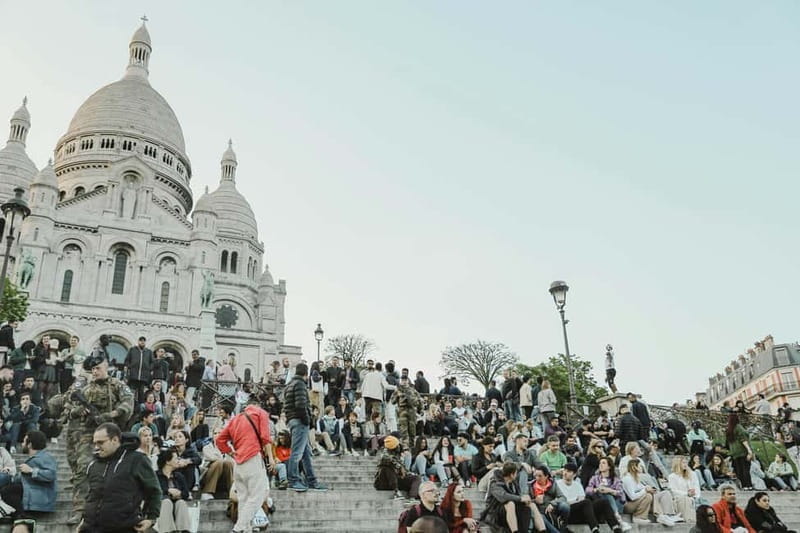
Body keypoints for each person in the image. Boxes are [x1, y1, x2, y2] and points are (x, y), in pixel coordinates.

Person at [64, 355, 134, 525]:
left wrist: (111, 415)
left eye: (98, 368)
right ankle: (79, 510)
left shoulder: (117, 385)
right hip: (87, 434)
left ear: (106, 367)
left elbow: (128, 403)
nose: (95, 371)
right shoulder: (84, 388)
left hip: (110, 433)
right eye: (93, 369)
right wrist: (78, 411)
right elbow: (68, 408)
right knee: (82, 469)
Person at [80, 423, 161, 533]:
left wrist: (151, 518)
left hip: (124, 527)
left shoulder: (137, 460)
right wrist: (83, 521)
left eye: (101, 442)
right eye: (95, 443)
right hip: (91, 528)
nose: (96, 447)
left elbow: (154, 491)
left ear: (115, 440)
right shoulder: (94, 464)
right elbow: (91, 496)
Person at [215, 399, 274, 532]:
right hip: (253, 458)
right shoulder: (261, 413)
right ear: (258, 405)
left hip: (239, 462)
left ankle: (246, 530)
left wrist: (231, 453)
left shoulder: (235, 419)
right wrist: (271, 458)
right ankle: (238, 528)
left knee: (244, 499)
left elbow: (219, 440)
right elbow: (265, 438)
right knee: (257, 497)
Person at [283, 363, 327, 492]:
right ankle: (293, 480)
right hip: (299, 421)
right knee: (297, 452)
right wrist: (308, 421)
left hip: (292, 420)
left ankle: (312, 480)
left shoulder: (289, 385)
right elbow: (301, 405)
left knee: (306, 453)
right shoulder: (300, 384)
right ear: (305, 374)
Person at [557, 462, 626, 533]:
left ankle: (616, 528)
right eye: (564, 470)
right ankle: (595, 529)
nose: (565, 473)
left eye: (568, 471)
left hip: (581, 512)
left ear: (574, 474)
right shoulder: (557, 484)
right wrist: (576, 500)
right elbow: (560, 502)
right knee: (586, 502)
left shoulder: (577, 485)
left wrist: (578, 500)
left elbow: (582, 498)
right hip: (569, 514)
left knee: (603, 502)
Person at [0, 431, 56, 518]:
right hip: (32, 494)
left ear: (29, 444)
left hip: (39, 500)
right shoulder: (36, 458)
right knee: (8, 486)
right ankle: (19, 514)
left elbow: (51, 475)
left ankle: (21, 515)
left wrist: (31, 470)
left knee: (7, 490)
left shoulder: (45, 457)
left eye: (23, 442)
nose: (22, 444)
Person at [481, 462, 544, 533]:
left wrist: (531, 500)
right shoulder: (495, 483)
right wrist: (520, 498)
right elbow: (503, 497)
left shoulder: (513, 483)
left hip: (511, 511)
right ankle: (515, 532)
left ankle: (543, 530)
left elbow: (518, 497)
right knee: (510, 503)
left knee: (532, 505)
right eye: (516, 473)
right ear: (512, 474)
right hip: (494, 512)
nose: (517, 475)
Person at [154, 447, 192, 533]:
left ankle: (183, 530)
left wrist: (180, 493)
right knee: (166, 502)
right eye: (176, 458)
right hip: (161, 505)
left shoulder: (179, 476)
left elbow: (186, 494)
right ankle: (168, 531)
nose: (178, 460)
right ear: (167, 461)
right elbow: (153, 492)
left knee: (181, 502)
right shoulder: (155, 475)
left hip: (177, 505)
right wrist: (168, 491)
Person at [200, 426, 234, 498]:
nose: (217, 435)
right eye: (215, 433)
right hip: (209, 475)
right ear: (212, 436)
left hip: (224, 477)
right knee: (219, 462)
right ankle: (207, 491)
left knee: (228, 464)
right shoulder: (207, 447)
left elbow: (233, 462)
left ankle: (232, 491)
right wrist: (224, 454)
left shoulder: (230, 447)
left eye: (220, 433)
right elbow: (213, 458)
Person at [391, 374, 422, 449]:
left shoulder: (413, 390)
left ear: (408, 381)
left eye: (405, 380)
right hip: (402, 410)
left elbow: (419, 400)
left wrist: (420, 409)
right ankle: (405, 446)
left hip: (412, 411)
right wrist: (398, 396)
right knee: (403, 429)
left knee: (412, 429)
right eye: (402, 380)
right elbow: (392, 401)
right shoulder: (398, 390)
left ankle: (412, 445)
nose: (404, 382)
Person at [669, 456, 701, 523]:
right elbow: (673, 491)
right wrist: (687, 493)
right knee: (685, 499)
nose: (685, 464)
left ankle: (691, 520)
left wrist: (694, 495)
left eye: (686, 462)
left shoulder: (692, 474)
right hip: (679, 499)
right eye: (683, 463)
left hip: (693, 498)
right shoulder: (672, 476)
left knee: (693, 501)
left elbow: (697, 487)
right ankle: (689, 520)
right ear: (677, 464)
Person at [726, 413, 754, 490]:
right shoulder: (739, 427)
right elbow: (744, 440)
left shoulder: (729, 430)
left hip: (734, 452)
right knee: (746, 469)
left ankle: (744, 485)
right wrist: (749, 451)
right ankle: (749, 485)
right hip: (742, 451)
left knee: (739, 470)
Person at [124, 337, 153, 405]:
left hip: (143, 377)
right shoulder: (132, 350)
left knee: (141, 395)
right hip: (133, 376)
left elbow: (152, 362)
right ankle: (130, 407)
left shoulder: (149, 352)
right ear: (138, 341)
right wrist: (130, 367)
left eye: (144, 341)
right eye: (141, 341)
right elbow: (127, 360)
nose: (142, 342)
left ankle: (141, 409)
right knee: (131, 393)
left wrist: (149, 369)